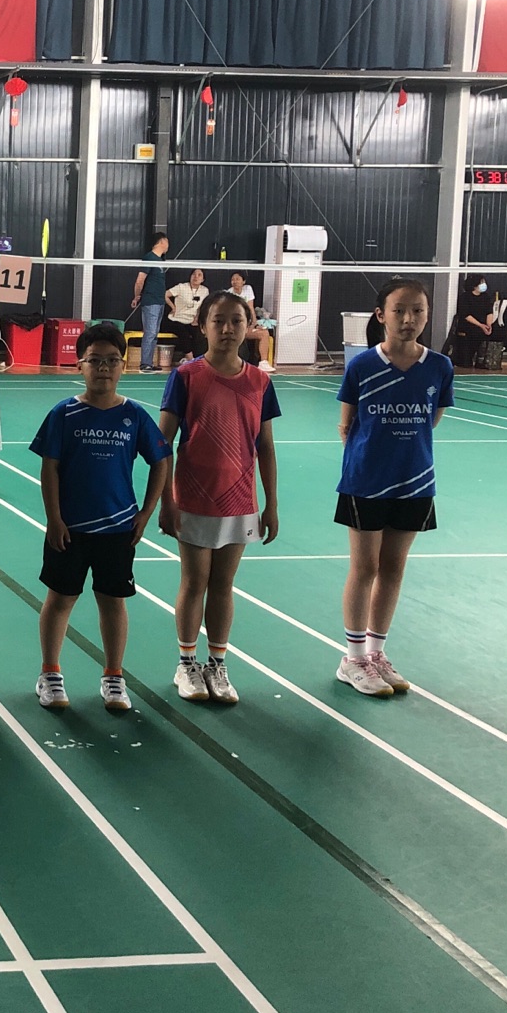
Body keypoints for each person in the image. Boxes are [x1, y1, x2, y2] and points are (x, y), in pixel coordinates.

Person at [31, 323, 170, 712]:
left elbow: (161, 460)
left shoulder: (134, 415)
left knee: (113, 601)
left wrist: (146, 512)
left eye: (112, 360)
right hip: (69, 529)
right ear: (80, 365)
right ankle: (50, 673)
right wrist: (54, 518)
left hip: (118, 528)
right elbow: (49, 467)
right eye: (95, 360)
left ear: (123, 366)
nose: (104, 368)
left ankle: (113, 676)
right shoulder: (64, 413)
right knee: (61, 598)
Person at [157, 291, 280, 705]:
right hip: (193, 498)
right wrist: (166, 501)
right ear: (203, 325)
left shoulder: (260, 382)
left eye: (236, 321)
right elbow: (163, 444)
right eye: (218, 321)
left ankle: (217, 664)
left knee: (224, 585)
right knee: (195, 582)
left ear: (249, 326)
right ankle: (186, 664)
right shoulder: (186, 376)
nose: (227, 329)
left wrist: (271, 504)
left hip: (240, 500)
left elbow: (265, 446)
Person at [333, 279, 453, 697]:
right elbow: (347, 424)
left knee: (394, 568)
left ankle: (376, 652)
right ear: (380, 315)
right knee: (365, 567)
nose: (408, 319)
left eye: (418, 310)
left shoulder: (440, 366)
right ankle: (353, 659)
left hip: (415, 481)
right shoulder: (362, 365)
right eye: (399, 310)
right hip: (366, 481)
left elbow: (432, 419)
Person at [129, 232, 171, 372]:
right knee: (150, 333)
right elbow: (140, 280)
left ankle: (149, 363)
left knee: (154, 334)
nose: (168, 245)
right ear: (162, 242)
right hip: (151, 301)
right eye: (167, 242)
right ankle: (144, 364)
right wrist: (136, 296)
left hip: (160, 301)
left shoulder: (160, 261)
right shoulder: (149, 258)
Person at [229, 272, 276, 372]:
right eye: (233, 279)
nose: (234, 281)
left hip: (247, 327)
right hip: (235, 329)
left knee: (264, 333)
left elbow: (251, 308)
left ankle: (263, 363)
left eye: (237, 279)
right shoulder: (229, 294)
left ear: (243, 281)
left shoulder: (248, 289)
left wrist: (254, 324)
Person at [448, 275, 494, 367]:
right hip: (469, 325)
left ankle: (484, 360)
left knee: (492, 332)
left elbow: (489, 312)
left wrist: (489, 325)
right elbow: (465, 315)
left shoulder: (486, 297)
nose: (484, 284)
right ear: (474, 285)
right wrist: (480, 325)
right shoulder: (465, 297)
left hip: (483, 324)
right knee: (476, 332)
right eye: (481, 283)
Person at [165, 268, 208, 363]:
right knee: (183, 333)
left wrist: (197, 318)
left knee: (199, 335)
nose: (196, 277)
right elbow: (165, 295)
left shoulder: (204, 291)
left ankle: (199, 359)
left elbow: (203, 306)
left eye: (199, 275)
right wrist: (173, 307)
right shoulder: (181, 287)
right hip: (177, 319)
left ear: (203, 279)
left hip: (192, 320)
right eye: (194, 274)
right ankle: (190, 359)